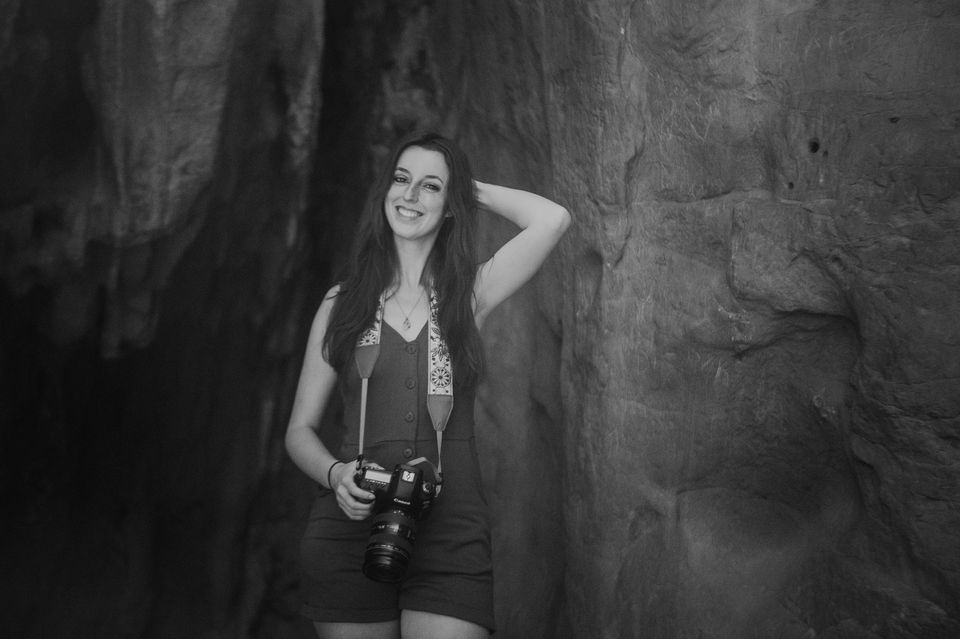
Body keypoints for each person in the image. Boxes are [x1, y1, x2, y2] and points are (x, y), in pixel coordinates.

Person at [285, 131, 570, 639]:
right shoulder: (342, 304)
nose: (410, 195)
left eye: (430, 186)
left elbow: (552, 220)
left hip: (451, 536)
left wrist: (465, 185)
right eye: (401, 179)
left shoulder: (471, 296)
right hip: (351, 529)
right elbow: (299, 430)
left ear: (451, 206)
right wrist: (335, 476)